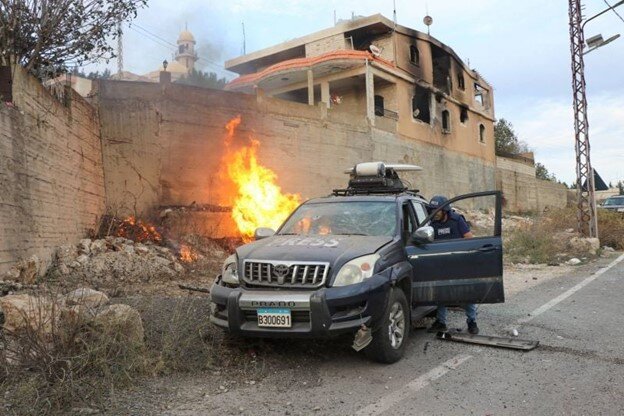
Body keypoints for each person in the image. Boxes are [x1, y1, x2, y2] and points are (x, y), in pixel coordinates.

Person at [425, 195, 479, 335]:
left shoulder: (457, 220)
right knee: (440, 293)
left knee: (467, 293)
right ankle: (441, 322)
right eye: (432, 210)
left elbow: (469, 238)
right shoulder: (432, 225)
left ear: (445, 210)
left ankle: (472, 322)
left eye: (436, 210)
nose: (434, 213)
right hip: (442, 264)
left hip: (459, 263)